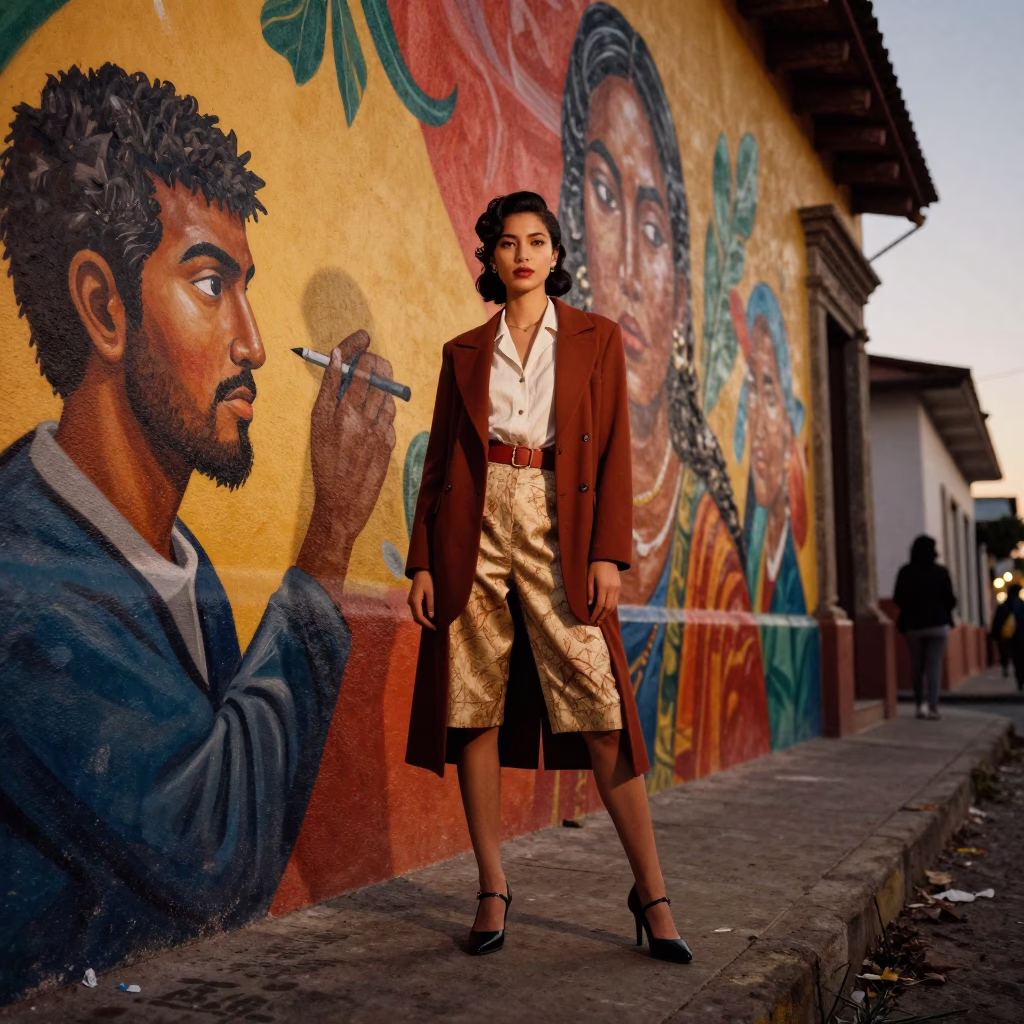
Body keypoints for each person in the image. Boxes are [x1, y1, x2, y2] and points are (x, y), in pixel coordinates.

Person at [0, 65, 395, 1000]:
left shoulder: (175, 563)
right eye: (211, 283)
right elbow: (217, 852)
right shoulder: (25, 583)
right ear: (103, 307)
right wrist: (330, 529)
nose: (254, 343)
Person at [405, 191, 691, 964]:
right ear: (492, 258)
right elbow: (439, 466)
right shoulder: (464, 350)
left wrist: (607, 552)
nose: (523, 253)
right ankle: (492, 886)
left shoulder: (597, 338)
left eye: (538, 241)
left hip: (559, 522)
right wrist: (424, 559)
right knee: (475, 707)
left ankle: (652, 892)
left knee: (600, 708)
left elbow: (614, 451)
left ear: (557, 256)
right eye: (508, 242)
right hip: (473, 524)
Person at [558, 3, 770, 788]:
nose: (631, 271)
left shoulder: (710, 545)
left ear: (681, 286)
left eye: (654, 231)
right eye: (606, 197)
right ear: (572, 221)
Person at [733, 284, 821, 749]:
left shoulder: (790, 580)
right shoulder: (738, 552)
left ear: (790, 421)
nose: (758, 424)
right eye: (750, 389)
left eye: (769, 394)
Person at [893, 536, 957, 719]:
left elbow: (898, 598)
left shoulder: (905, 572)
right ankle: (933, 707)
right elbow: (950, 599)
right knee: (934, 666)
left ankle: (919, 705)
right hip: (938, 624)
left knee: (917, 666)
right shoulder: (941, 572)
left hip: (914, 626)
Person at [990, 583, 1024, 692]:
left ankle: (1019, 680)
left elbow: (997, 621)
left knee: (1015, 658)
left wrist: (994, 635)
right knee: (1020, 657)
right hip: (1020, 636)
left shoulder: (1004, 605)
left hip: (1008, 637)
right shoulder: (1021, 605)